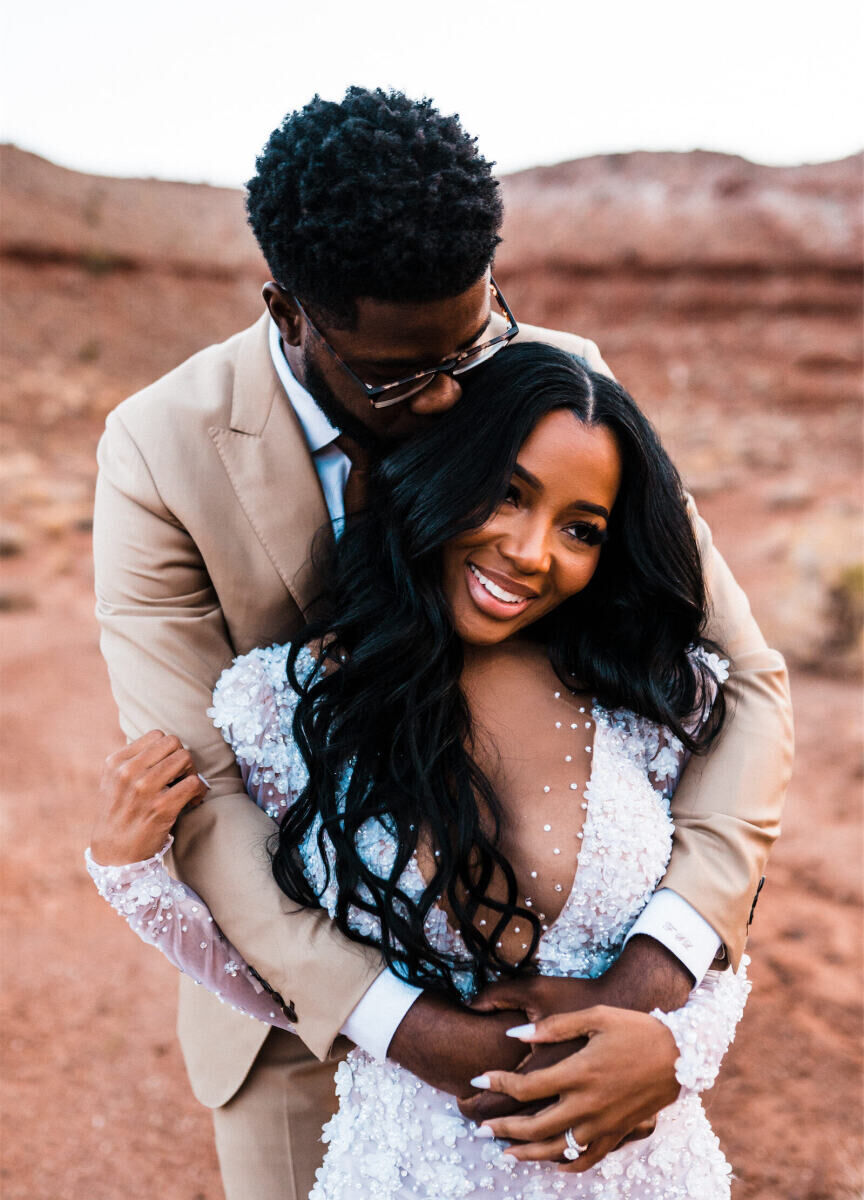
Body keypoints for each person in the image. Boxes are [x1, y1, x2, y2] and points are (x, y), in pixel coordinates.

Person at [90, 88, 792, 1198]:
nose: (460, 397)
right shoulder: (159, 448)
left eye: (481, 335)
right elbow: (209, 788)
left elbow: (744, 679)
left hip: (585, 997)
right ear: (291, 314)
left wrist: (657, 973)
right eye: (405, 377)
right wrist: (407, 1028)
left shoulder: (556, 379)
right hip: (301, 1020)